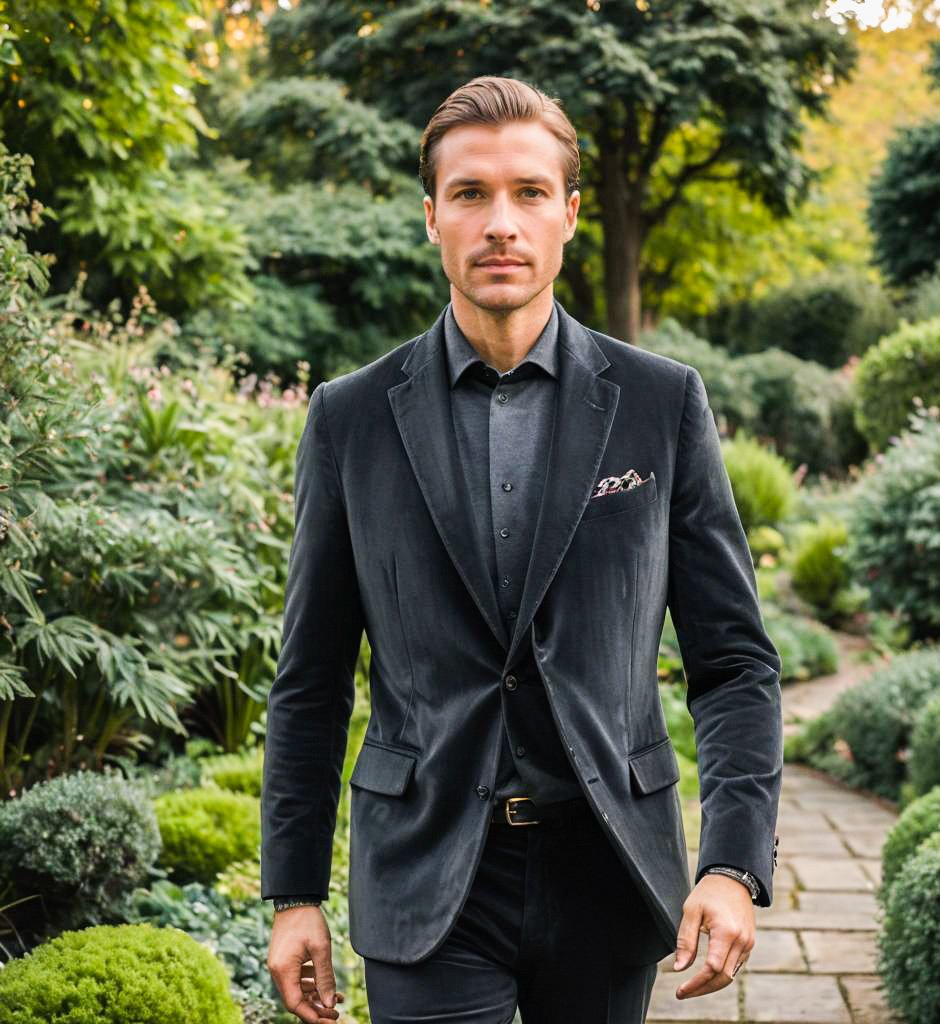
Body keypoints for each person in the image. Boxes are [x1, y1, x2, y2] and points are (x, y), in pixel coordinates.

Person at [262, 75, 783, 1024]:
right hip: (425, 880)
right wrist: (293, 894)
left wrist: (735, 863)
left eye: (529, 193)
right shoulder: (350, 419)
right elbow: (311, 676)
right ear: (432, 217)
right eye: (470, 194)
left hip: (608, 868)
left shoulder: (662, 404)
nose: (500, 221)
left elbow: (735, 662)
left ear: (569, 213)